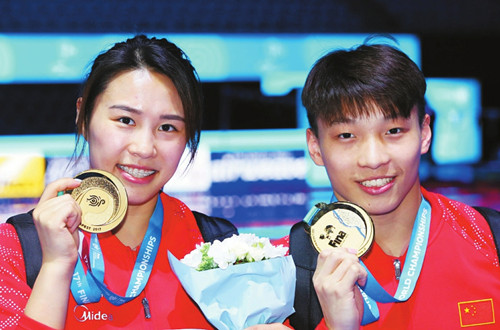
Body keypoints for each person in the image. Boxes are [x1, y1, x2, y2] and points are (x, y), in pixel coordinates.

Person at [0, 35, 241, 329]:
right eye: (126, 120)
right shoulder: (14, 248)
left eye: (168, 127)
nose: (144, 148)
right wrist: (54, 266)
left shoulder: (218, 248)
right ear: (83, 118)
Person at [277, 42, 500, 329]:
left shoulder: (489, 239)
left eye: (393, 131)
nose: (373, 159)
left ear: (425, 132)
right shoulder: (281, 272)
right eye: (346, 135)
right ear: (315, 146)